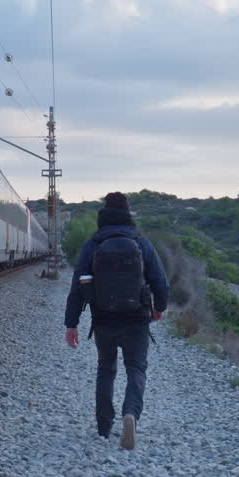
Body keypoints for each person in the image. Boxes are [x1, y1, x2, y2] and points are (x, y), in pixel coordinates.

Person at [64, 192, 169, 450]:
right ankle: (130, 414)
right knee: (136, 369)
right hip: (136, 319)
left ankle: (103, 425)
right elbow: (160, 282)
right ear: (128, 214)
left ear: (104, 215)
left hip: (103, 319)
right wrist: (159, 308)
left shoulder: (93, 244)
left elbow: (78, 286)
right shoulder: (141, 243)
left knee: (106, 369)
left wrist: (71, 323)